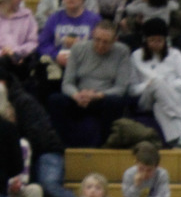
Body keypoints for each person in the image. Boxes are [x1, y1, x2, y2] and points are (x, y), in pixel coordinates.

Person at [48, 19, 131, 147]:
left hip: (103, 98)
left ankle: (105, 146)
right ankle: (63, 146)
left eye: (105, 42)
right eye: (97, 40)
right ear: (92, 35)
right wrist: (76, 95)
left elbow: (121, 88)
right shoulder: (78, 48)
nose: (100, 45)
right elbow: (67, 83)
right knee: (55, 100)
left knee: (116, 102)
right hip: (80, 97)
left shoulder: (122, 52)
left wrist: (97, 95)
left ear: (115, 40)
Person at [0, 64, 74, 197]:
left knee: (48, 186)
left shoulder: (24, 102)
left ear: (4, 82)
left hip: (45, 151)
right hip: (20, 153)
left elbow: (39, 138)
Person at [129, 18, 181, 148]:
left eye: (159, 40)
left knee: (160, 105)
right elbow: (132, 89)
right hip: (147, 98)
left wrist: (168, 86)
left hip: (173, 98)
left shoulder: (175, 55)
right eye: (152, 40)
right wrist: (149, 85)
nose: (155, 44)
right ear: (145, 40)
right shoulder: (136, 56)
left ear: (165, 40)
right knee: (157, 81)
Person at [37, 0, 101, 85]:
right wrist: (55, 55)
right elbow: (43, 43)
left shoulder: (94, 19)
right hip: (58, 62)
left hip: (85, 64)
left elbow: (99, 44)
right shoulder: (54, 18)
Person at [0, 0, 38, 79]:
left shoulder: (27, 15)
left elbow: (33, 42)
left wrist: (15, 52)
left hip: (22, 60)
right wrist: (4, 53)